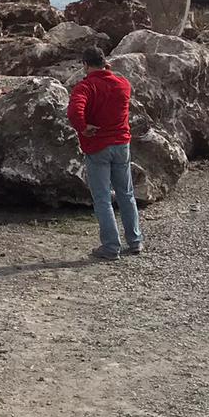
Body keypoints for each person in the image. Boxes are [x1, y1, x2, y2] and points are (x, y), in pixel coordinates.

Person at [65, 46, 143, 261]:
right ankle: (135, 241)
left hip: (98, 145)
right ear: (105, 62)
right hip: (122, 144)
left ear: (85, 65)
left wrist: (83, 126)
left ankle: (110, 246)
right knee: (126, 194)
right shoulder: (122, 84)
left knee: (102, 198)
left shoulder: (86, 87)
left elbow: (74, 110)